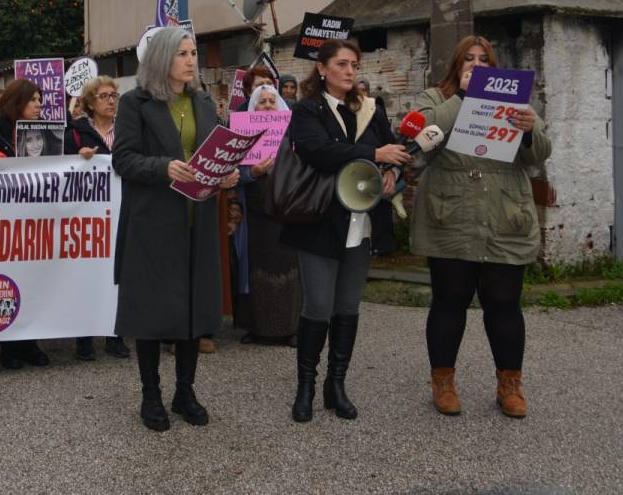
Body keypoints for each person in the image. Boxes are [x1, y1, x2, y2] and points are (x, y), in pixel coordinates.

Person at [411, 36, 550, 419]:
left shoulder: (516, 101)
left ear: (495, 65)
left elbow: (541, 152)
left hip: (503, 212)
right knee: (449, 301)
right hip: (451, 215)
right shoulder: (436, 98)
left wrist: (526, 130)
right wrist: (464, 98)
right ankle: (443, 382)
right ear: (457, 66)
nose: (476, 64)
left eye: (484, 59)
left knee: (504, 303)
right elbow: (420, 136)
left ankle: (510, 386)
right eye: (468, 59)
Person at [113, 26, 240, 432]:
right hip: (152, 223)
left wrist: (225, 174)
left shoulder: (202, 102)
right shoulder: (136, 103)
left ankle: (184, 391)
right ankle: (150, 395)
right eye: (183, 53)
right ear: (162, 59)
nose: (191, 60)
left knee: (193, 310)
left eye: (192, 53)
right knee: (151, 313)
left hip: (197, 221)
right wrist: (162, 167)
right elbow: (123, 159)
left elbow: (212, 151)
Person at [283, 39, 410, 423]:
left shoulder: (373, 109)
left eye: (354, 64)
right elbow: (318, 152)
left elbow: (394, 152)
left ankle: (335, 386)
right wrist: (375, 156)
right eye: (341, 64)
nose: (351, 71)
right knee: (318, 307)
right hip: (320, 219)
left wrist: (393, 171)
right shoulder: (307, 111)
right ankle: (305, 386)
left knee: (348, 308)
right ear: (322, 69)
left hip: (363, 222)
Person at [64, 75, 131, 362]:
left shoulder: (127, 130)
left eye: (114, 95)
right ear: (90, 103)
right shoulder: (77, 132)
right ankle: (84, 338)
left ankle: (116, 335)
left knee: (120, 273)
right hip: (89, 215)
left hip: (122, 208)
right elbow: (60, 164)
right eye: (104, 96)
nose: (111, 101)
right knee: (88, 273)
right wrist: (78, 157)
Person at [0, 79, 52, 370]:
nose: (39, 105)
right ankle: (9, 346)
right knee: (7, 280)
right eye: (33, 100)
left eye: (40, 100)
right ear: (18, 102)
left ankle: (31, 343)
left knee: (34, 282)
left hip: (35, 218)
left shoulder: (50, 130)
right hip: (3, 218)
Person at [233, 85, 300, 346]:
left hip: (286, 210)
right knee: (256, 265)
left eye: (273, 100)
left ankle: (291, 327)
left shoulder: (292, 134)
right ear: (253, 107)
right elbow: (235, 175)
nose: (268, 105)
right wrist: (255, 172)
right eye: (262, 102)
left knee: (288, 265)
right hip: (255, 212)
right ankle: (258, 327)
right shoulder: (243, 137)